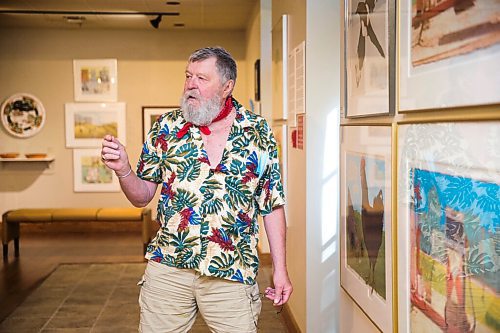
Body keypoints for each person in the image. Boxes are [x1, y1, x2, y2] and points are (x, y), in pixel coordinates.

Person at [100, 46, 292, 332]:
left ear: (227, 86)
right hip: (169, 267)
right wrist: (124, 169)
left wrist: (281, 269)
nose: (190, 84)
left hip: (232, 271)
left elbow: (272, 204)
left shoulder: (257, 131)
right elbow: (141, 197)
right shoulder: (166, 127)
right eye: (188, 76)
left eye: (201, 78)